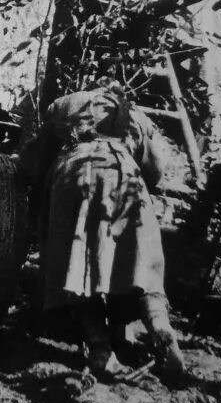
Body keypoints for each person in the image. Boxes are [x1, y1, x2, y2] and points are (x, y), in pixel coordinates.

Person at [20, 81, 187, 383]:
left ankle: (100, 350)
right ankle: (161, 329)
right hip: (125, 172)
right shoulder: (133, 113)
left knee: (80, 262)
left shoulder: (65, 104)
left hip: (74, 169)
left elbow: (36, 161)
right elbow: (155, 171)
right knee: (143, 260)